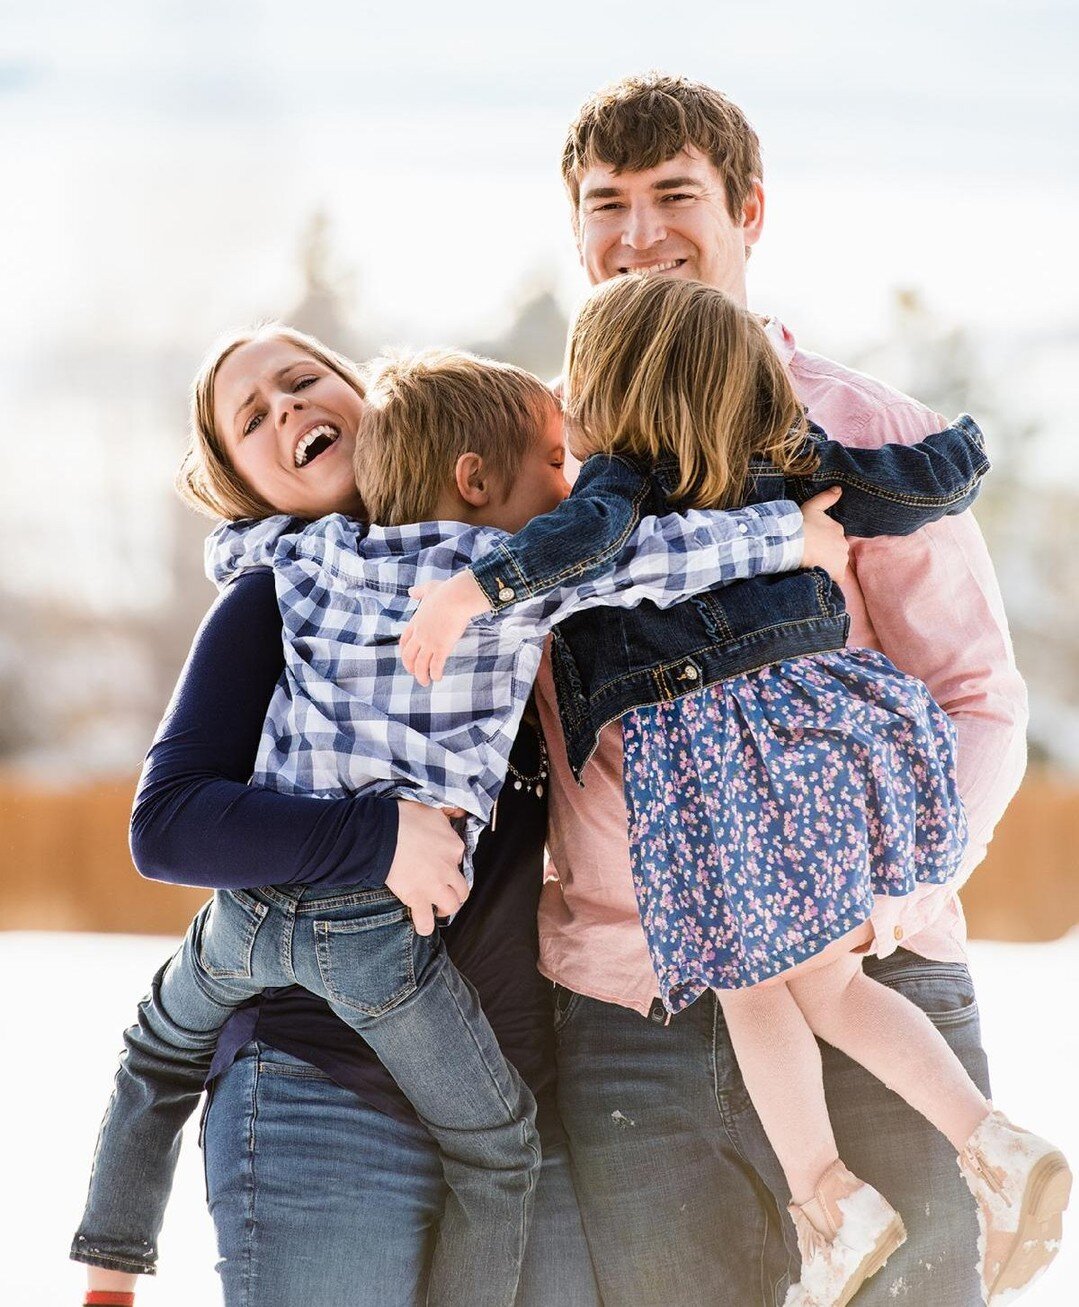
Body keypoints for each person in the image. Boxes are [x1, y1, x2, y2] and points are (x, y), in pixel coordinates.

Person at [402, 272, 1070, 1306]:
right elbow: (915, 477)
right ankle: (983, 1137)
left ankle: (829, 1202)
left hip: (713, 778)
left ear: (609, 396)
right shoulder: (796, 463)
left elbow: (568, 548)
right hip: (821, 741)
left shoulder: (616, 485)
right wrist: (966, 450)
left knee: (756, 982)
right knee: (831, 987)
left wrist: (467, 591)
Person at [525, 73, 1033, 1307]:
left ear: (747, 210)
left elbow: (976, 697)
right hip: (628, 1008)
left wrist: (889, 902)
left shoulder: (852, 431)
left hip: (866, 976)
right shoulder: (549, 459)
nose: (637, 233)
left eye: (672, 196)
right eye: (606, 204)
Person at [70, 328, 596, 1307]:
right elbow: (171, 821)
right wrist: (378, 834)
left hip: (512, 1098)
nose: (286, 410)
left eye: (301, 380)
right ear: (250, 489)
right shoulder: (275, 599)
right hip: (322, 1093)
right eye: (252, 419)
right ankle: (108, 1267)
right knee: (159, 1048)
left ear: (370, 396)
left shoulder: (509, 576)